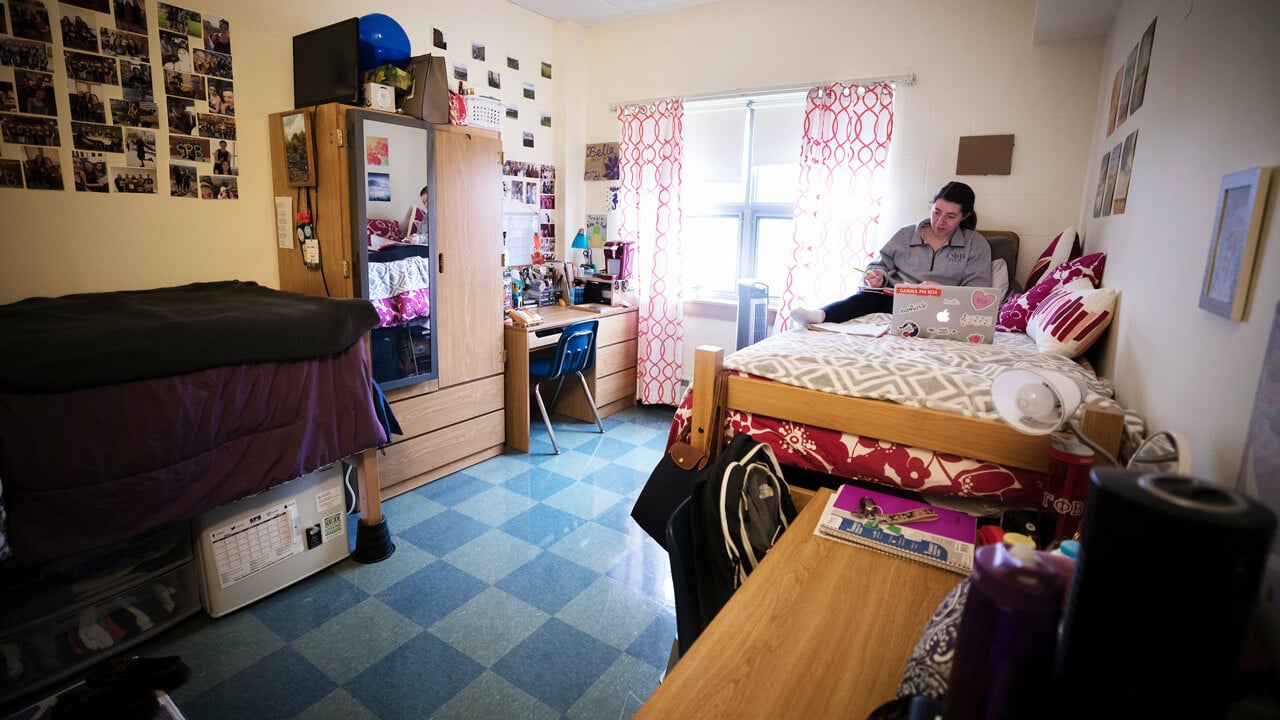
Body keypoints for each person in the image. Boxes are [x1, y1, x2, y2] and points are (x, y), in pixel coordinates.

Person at [790, 181, 992, 326]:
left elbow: (979, 292)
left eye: (950, 216)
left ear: (964, 216)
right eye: (936, 212)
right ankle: (820, 315)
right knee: (866, 296)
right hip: (893, 299)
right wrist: (877, 276)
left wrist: (941, 291)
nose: (939, 222)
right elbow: (878, 264)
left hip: (942, 307)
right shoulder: (906, 234)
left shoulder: (976, 245)